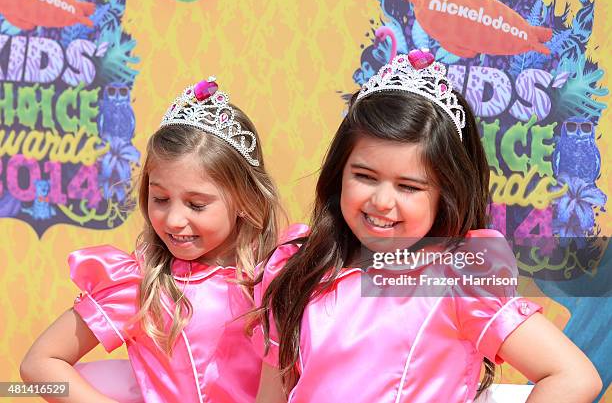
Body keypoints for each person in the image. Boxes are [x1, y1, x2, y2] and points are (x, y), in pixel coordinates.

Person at [253, 53, 602, 403]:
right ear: (338, 173)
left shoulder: (456, 279)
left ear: (445, 195)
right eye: (364, 176)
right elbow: (273, 393)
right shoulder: (299, 265)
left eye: (409, 186)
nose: (382, 201)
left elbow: (573, 376)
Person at [20, 77, 283, 403]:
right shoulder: (142, 284)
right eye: (160, 199)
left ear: (245, 199)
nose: (173, 220)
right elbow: (39, 365)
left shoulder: (276, 276)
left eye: (196, 204)